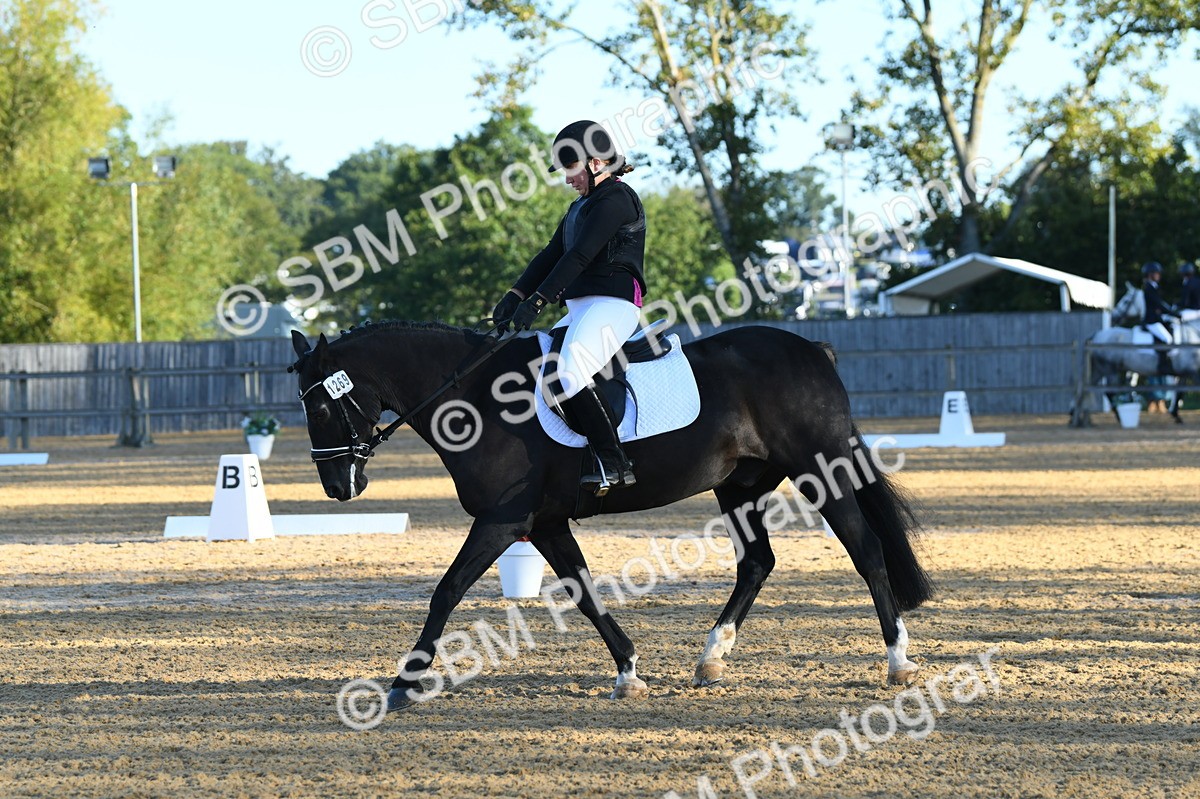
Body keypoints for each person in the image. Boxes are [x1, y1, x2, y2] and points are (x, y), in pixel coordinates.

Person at [492, 120, 647, 494]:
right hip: (581, 307)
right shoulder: (582, 206)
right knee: (540, 368)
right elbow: (550, 255)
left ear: (595, 163)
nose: (566, 180)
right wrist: (514, 295)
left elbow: (579, 255)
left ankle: (614, 462)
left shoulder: (617, 200)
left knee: (572, 372)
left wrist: (540, 300)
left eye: (570, 169)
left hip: (614, 304)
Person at [1141, 261, 1175, 378]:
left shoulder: (1154, 287)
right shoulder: (1149, 288)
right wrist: (1172, 313)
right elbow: (1158, 304)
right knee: (1167, 339)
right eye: (1156, 273)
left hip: (1156, 319)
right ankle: (1162, 365)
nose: (1158, 275)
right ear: (1150, 274)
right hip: (1151, 321)